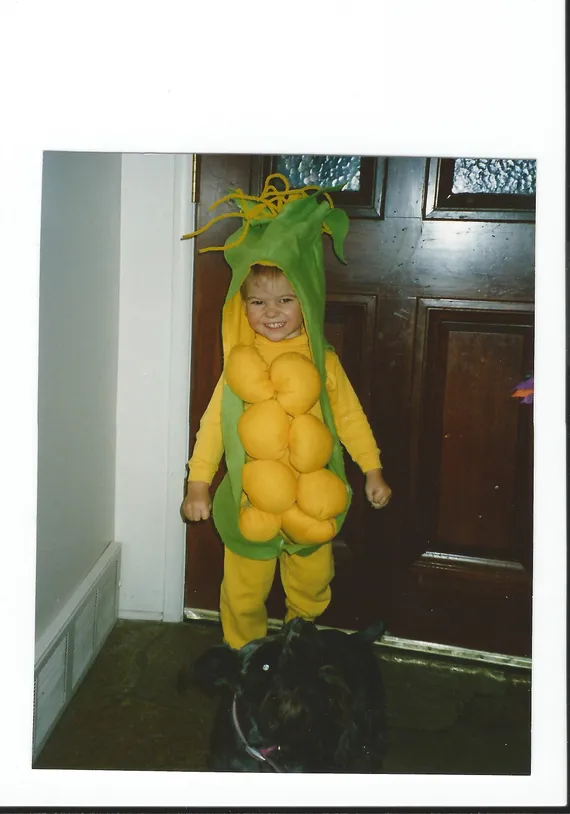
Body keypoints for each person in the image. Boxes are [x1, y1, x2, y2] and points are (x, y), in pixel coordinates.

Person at [181, 177, 392, 649]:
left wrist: (372, 469)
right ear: (243, 305)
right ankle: (243, 659)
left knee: (313, 581)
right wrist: (198, 483)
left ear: (307, 302)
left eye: (285, 300)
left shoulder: (324, 363)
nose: (271, 312)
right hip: (250, 499)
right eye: (257, 301)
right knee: (242, 589)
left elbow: (352, 419)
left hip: (311, 499)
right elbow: (214, 425)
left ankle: (302, 647)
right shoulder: (240, 365)